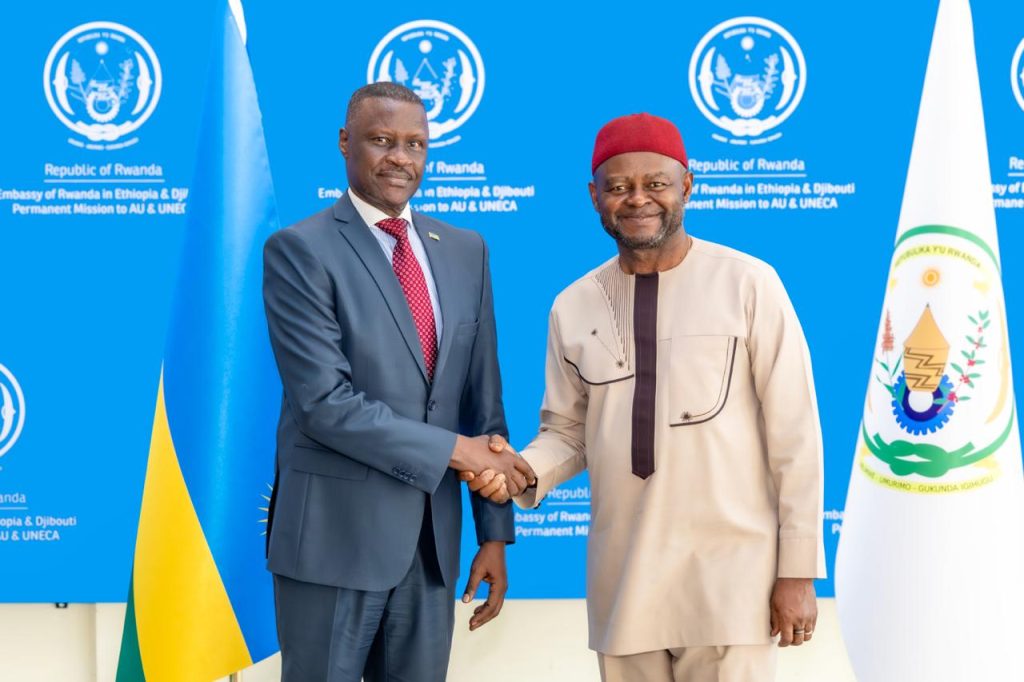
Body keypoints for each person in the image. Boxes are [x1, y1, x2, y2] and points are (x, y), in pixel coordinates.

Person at [465, 113, 825, 681]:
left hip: (733, 584)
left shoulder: (750, 284)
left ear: (687, 185)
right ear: (594, 196)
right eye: (618, 187)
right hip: (625, 582)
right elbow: (568, 430)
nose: (637, 200)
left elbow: (796, 437)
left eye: (655, 183)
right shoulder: (573, 305)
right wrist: (520, 470)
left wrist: (798, 572)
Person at [262, 82, 534, 682]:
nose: (400, 158)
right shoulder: (300, 250)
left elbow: (482, 406)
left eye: (415, 144)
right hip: (333, 543)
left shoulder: (466, 250)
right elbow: (323, 405)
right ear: (345, 143)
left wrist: (494, 535)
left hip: (432, 550)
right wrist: (454, 451)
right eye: (382, 141)